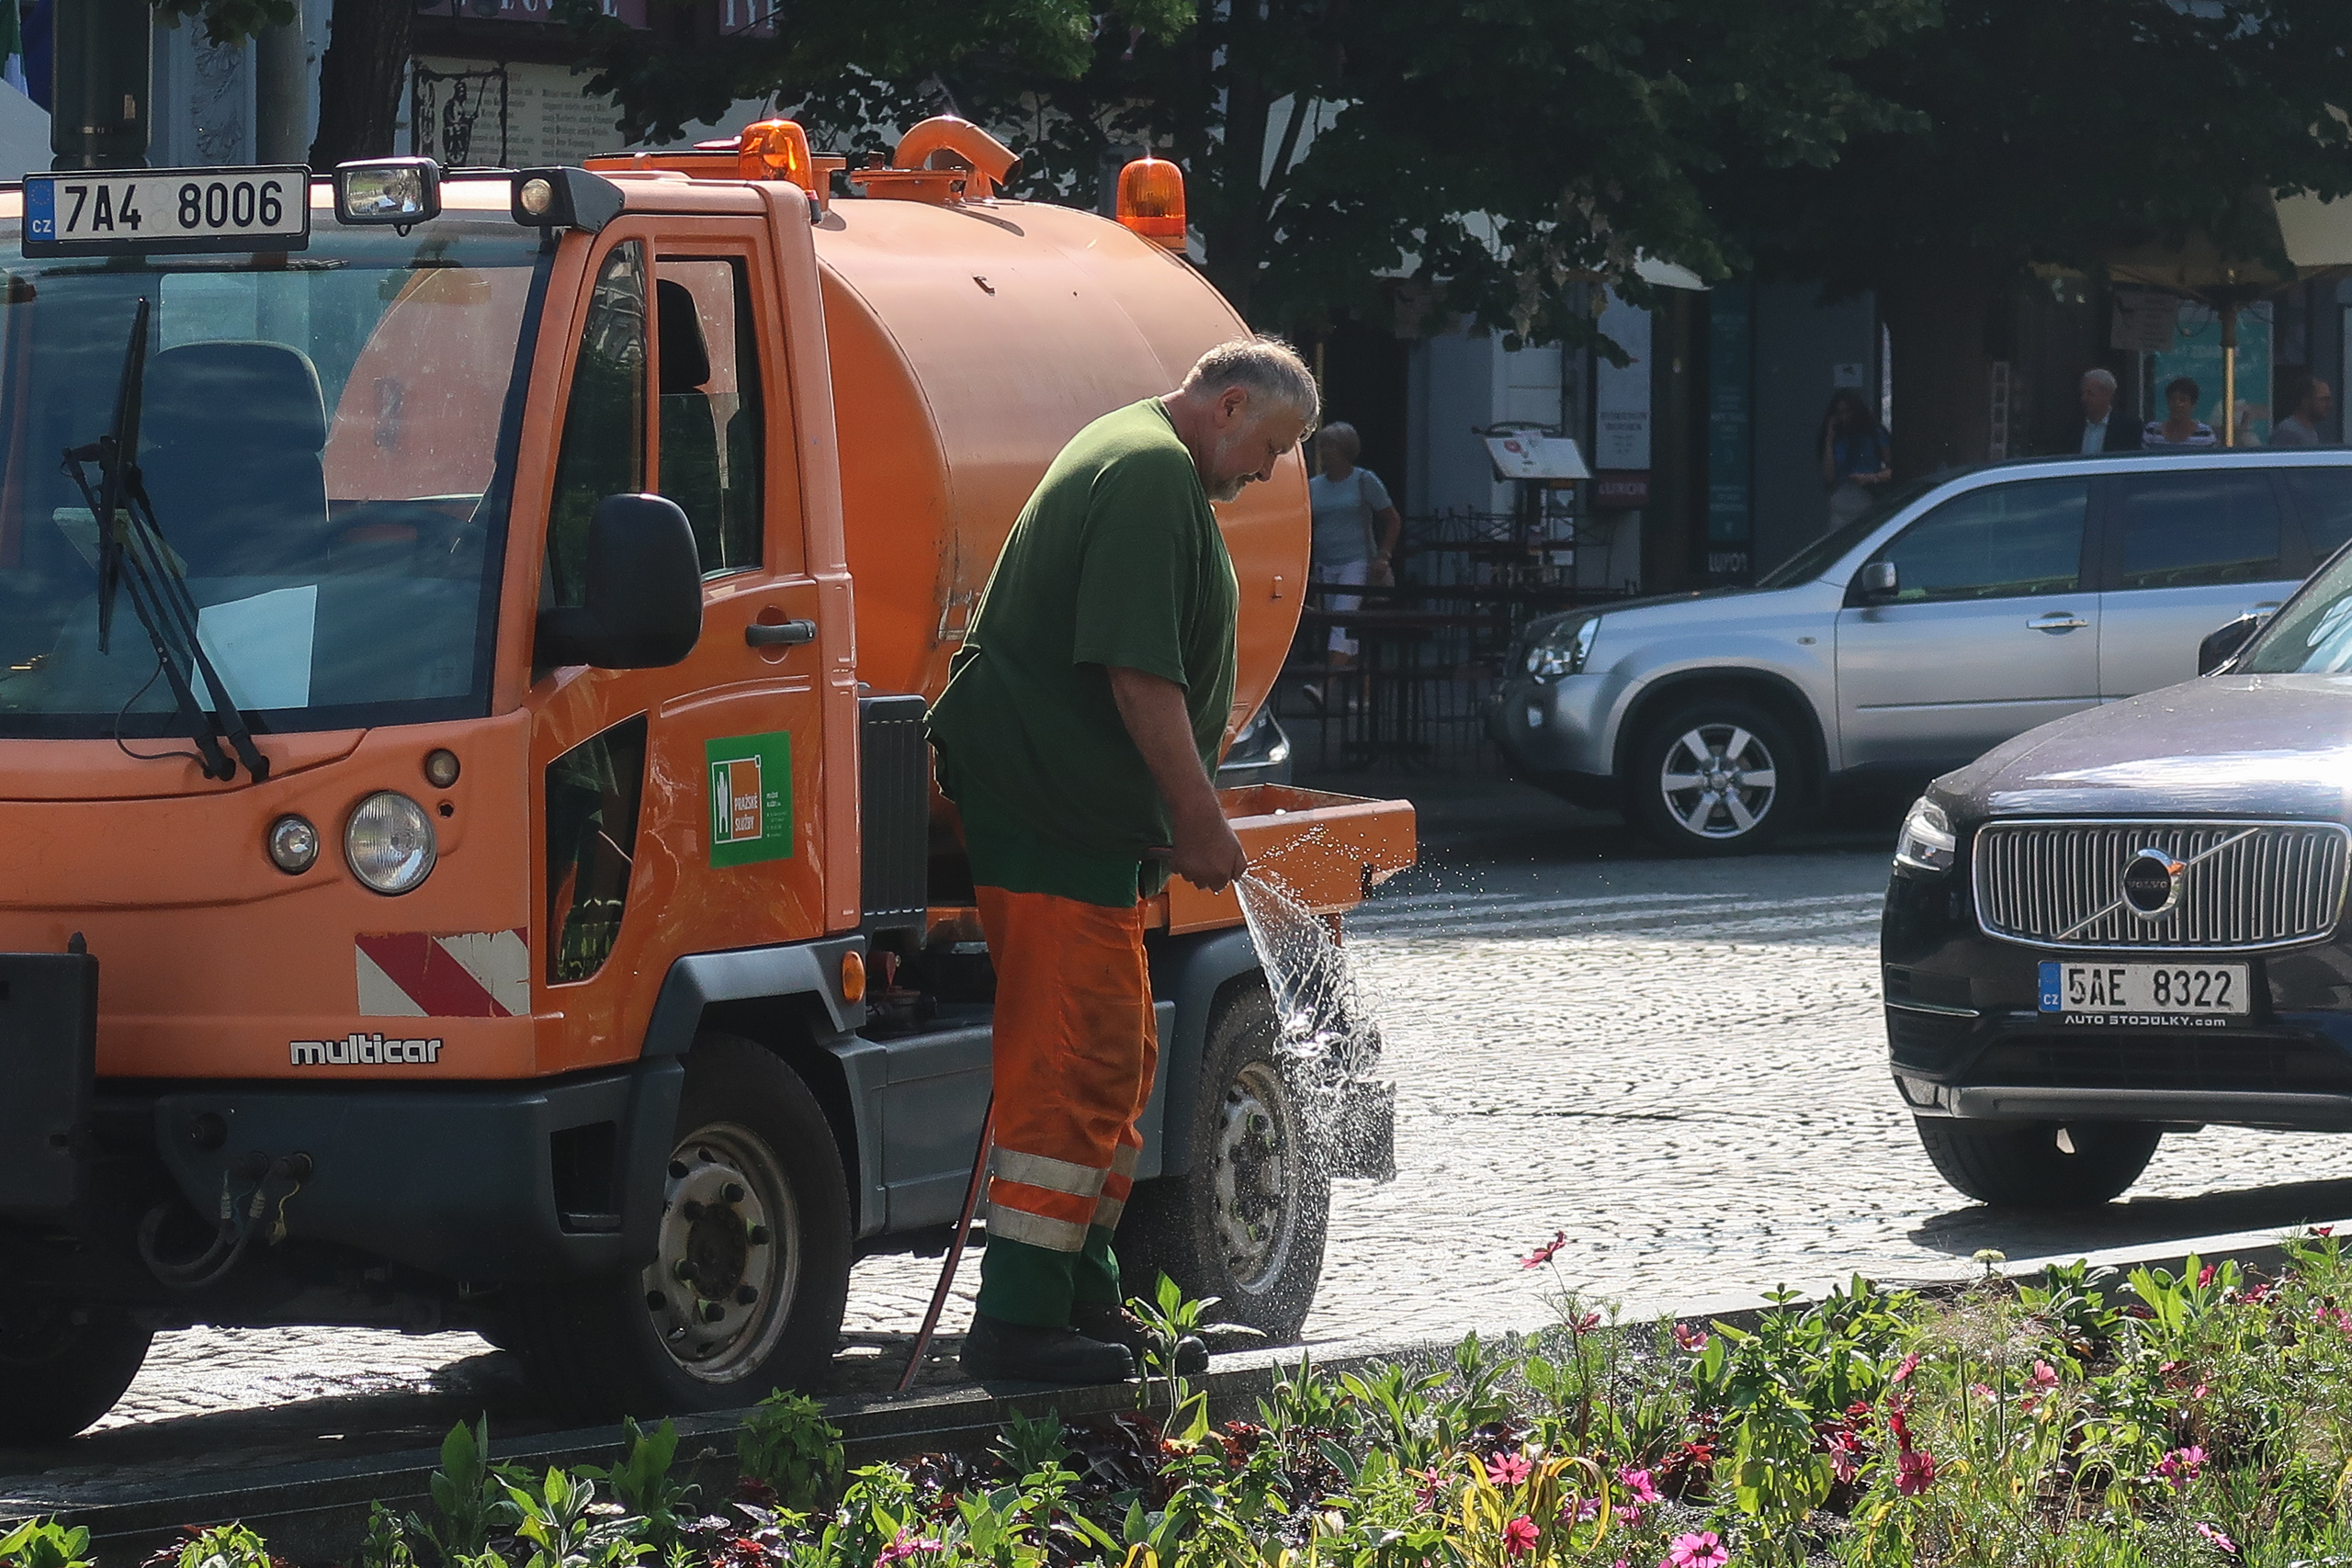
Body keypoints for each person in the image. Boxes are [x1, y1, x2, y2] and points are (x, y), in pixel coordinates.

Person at [924, 336, 1317, 1383]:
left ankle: (1082, 1300)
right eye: (1271, 446)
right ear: (1228, 405)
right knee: (1071, 1064)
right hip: (1057, 824)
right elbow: (1138, 677)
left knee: (1113, 1062)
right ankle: (1016, 1322)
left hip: (1079, 829)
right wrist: (1199, 822)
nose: (1268, 472)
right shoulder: (1148, 474)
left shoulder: (1146, 461)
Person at [1301, 421, 1402, 711]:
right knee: (1346, 630)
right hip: (1326, 564)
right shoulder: (1314, 486)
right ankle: (1366, 691)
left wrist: (1383, 555)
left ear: (1346, 450)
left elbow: (1391, 519)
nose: (1325, 452)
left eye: (1330, 446)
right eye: (1322, 446)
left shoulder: (1363, 480)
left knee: (1341, 622)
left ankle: (1324, 686)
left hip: (1356, 561)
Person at [1817, 388, 1891, 529]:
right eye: (1840, 414)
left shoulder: (1874, 434)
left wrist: (1871, 478)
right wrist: (1829, 439)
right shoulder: (1837, 440)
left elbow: (1892, 467)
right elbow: (1828, 477)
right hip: (1842, 503)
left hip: (1868, 498)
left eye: (1848, 412)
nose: (1845, 418)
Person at [2058, 367, 2141, 454]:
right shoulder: (2072, 431)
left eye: (2090, 393)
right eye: (2082, 393)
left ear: (2108, 395)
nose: (2084, 398)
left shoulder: (2129, 429)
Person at [2143, 376, 2217, 448]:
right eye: (2173, 399)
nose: (2177, 404)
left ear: (2193, 405)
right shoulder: (2152, 431)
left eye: (2183, 400)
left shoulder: (2205, 434)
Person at [2273, 367, 2334, 447]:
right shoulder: (2288, 432)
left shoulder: (2310, 431)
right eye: (2323, 400)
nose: (2329, 405)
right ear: (2305, 401)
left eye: (2329, 400)